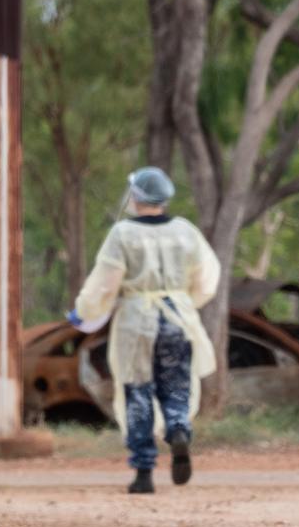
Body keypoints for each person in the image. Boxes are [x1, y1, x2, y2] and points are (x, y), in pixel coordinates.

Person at [67, 167, 220, 494]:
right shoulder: (185, 232)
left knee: (138, 392)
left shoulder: (123, 234)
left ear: (137, 197)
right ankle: (179, 429)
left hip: (137, 322)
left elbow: (105, 283)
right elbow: (207, 277)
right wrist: (184, 300)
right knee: (176, 386)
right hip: (178, 319)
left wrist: (83, 312)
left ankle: (143, 472)